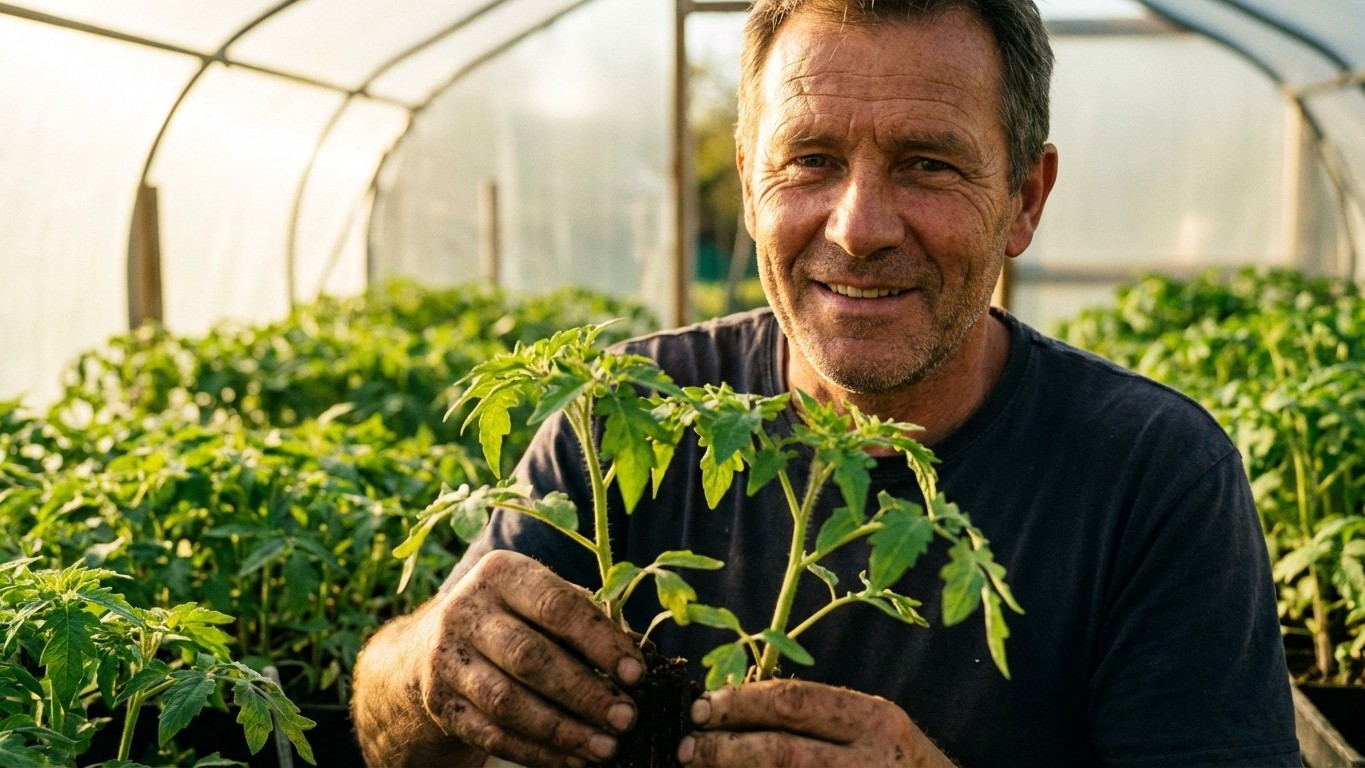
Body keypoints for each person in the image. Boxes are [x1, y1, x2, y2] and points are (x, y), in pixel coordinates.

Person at [351, 1, 1301, 765]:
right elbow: (394, 742)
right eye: (809, 159)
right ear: (747, 180)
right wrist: (423, 663)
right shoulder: (623, 414)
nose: (858, 227)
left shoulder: (1153, 476)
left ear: (1024, 198)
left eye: (927, 163)